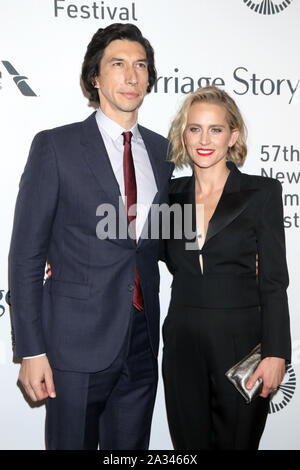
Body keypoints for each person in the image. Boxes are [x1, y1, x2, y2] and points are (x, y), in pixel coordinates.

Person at [9, 23, 173, 450]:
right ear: (95, 77)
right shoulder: (56, 147)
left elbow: (155, 241)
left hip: (141, 340)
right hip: (72, 346)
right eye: (118, 64)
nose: (132, 76)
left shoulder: (160, 150)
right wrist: (30, 351)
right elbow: (25, 255)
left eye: (141, 66)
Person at [161, 86, 291, 450]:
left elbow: (274, 280)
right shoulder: (170, 196)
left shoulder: (260, 193)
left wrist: (277, 351)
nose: (204, 140)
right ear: (183, 135)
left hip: (242, 344)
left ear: (232, 135)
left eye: (215, 129)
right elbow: (133, 252)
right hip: (182, 343)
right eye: (195, 128)